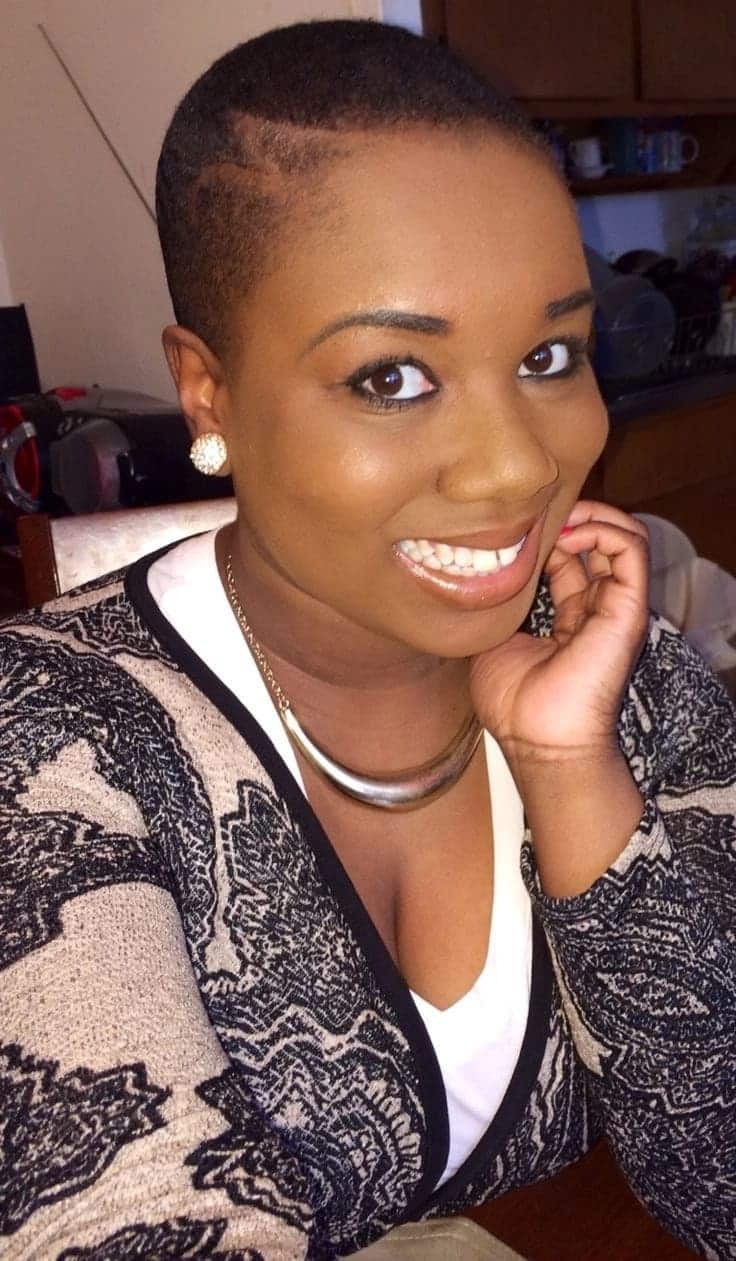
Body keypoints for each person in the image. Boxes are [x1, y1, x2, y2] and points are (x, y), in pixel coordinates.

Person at [2, 18, 735, 1261]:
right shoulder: (49, 740)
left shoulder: (634, 684)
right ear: (207, 391)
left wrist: (567, 766)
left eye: (549, 354)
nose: (520, 466)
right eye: (391, 376)